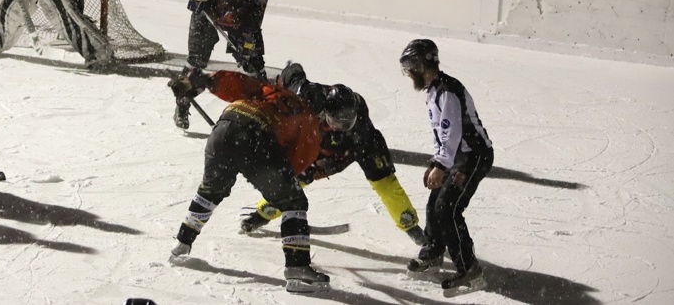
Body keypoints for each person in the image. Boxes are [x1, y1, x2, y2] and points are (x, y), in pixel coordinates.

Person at [167, 69, 333, 294]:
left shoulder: (274, 90)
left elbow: (238, 82)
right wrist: (279, 186)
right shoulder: (309, 117)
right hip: (257, 138)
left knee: (211, 191)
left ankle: (182, 244)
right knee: (294, 201)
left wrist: (204, 81)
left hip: (224, 127)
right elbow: (297, 163)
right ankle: (297, 268)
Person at [239, 62, 427, 246]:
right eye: (336, 122)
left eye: (346, 123)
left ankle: (410, 225)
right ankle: (263, 213)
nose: (341, 127)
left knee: (386, 183)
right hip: (321, 148)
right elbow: (293, 72)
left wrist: (333, 162)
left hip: (361, 146)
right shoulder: (308, 95)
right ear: (326, 111)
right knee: (293, 180)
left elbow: (358, 144)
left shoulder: (359, 126)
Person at [399, 39, 493, 293]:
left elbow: (452, 137)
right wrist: (435, 164)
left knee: (448, 209)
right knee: (435, 202)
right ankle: (433, 253)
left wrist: (441, 165)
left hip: (474, 157)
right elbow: (440, 135)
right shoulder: (433, 91)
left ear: (422, 64)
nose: (408, 73)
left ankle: (470, 271)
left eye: (410, 66)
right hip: (457, 156)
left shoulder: (447, 92)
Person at [173, 0, 275, 129]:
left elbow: (256, 12)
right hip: (207, 15)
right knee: (196, 64)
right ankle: (183, 105)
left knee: (254, 66)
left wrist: (246, 43)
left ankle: (262, 113)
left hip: (239, 21)